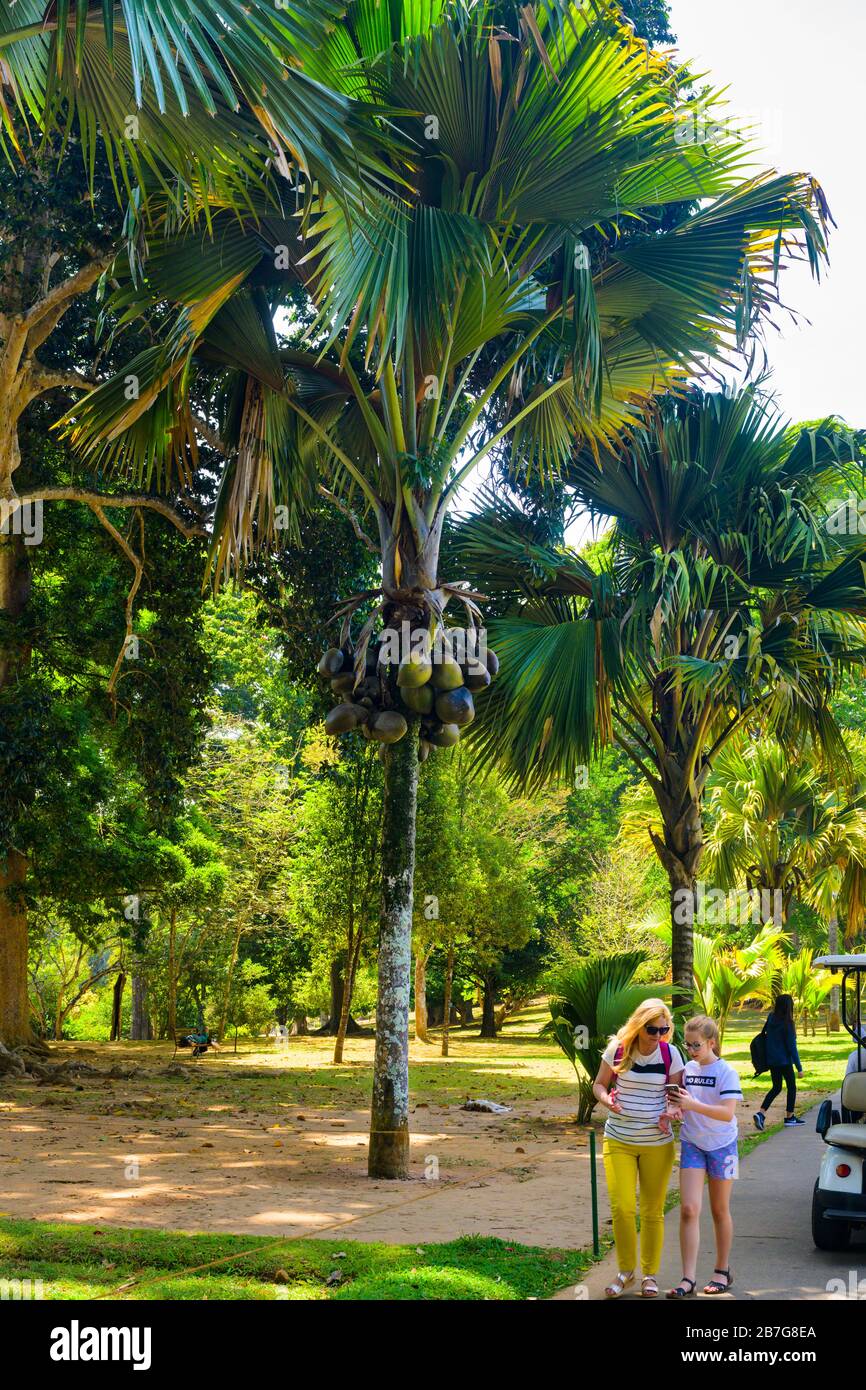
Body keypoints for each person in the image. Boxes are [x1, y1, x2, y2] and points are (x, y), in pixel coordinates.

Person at [593, 999, 684, 1298]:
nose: (658, 1035)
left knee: (652, 1211)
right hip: (619, 1139)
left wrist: (672, 1111)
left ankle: (649, 1275)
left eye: (663, 1029)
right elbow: (599, 1085)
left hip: (657, 1143)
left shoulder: (671, 1055)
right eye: (652, 1029)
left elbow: (675, 1095)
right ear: (639, 1024)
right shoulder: (618, 1050)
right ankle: (625, 1271)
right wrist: (607, 1101)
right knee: (622, 1208)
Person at [666, 1015, 743, 1298]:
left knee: (719, 1210)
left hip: (724, 1146)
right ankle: (688, 1278)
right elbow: (683, 1104)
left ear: (711, 1043)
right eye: (687, 1045)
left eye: (696, 1045)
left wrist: (691, 1104)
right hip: (692, 1144)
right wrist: (674, 1110)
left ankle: (721, 1271)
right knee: (688, 1209)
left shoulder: (727, 1072)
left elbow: (727, 1113)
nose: (691, 1050)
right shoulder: (688, 1069)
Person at [753, 994, 804, 1130]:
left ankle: (761, 1113)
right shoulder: (787, 1024)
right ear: (789, 1007)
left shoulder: (771, 1018)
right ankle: (789, 1117)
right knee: (791, 1087)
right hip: (784, 1061)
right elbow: (792, 1048)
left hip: (772, 1061)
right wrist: (799, 1068)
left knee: (776, 1087)